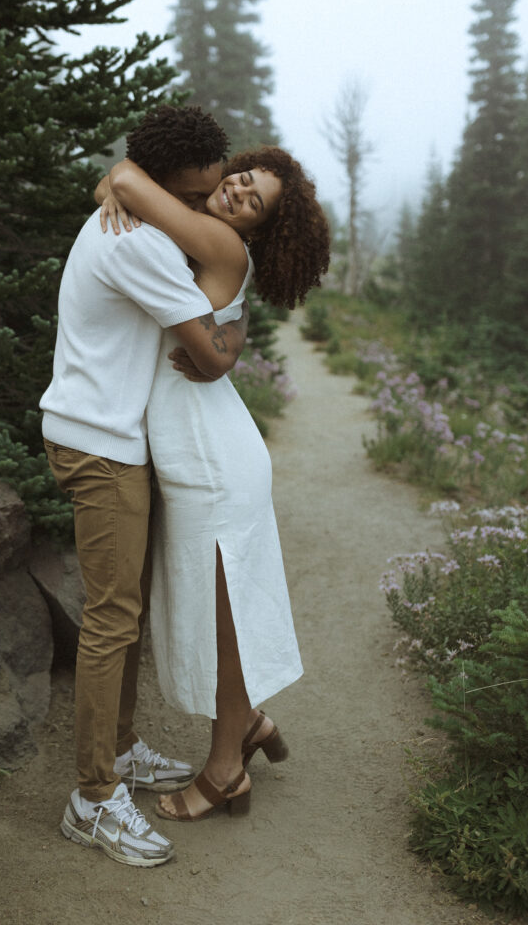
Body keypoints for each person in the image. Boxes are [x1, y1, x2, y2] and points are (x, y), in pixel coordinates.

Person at [39, 106, 251, 868]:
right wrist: (233, 325)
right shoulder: (137, 244)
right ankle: (93, 799)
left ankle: (121, 751)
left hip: (116, 440)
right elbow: (213, 349)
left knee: (121, 614)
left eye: (211, 194)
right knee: (111, 617)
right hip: (99, 446)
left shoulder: (142, 224)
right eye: (192, 198)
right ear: (158, 188)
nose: (203, 209)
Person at [102, 146, 330, 822]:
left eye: (252, 199)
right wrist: (116, 187)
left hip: (212, 463)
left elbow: (124, 175)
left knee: (223, 621)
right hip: (202, 453)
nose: (234, 192)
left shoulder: (219, 241)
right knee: (215, 613)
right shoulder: (203, 238)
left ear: (256, 228)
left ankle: (226, 769)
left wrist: (118, 185)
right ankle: (250, 723)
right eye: (239, 177)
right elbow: (123, 183)